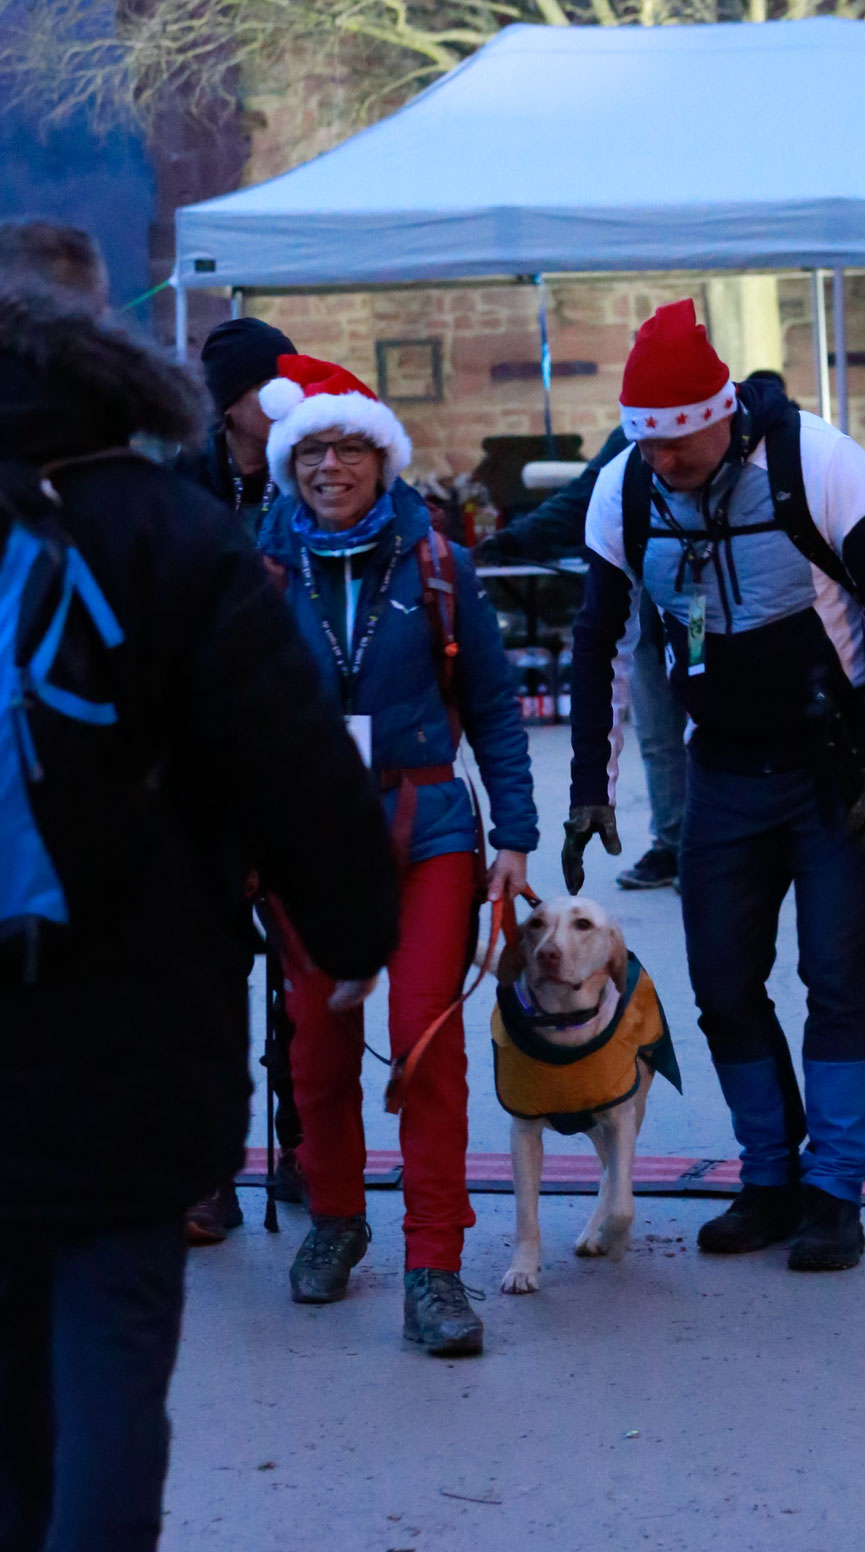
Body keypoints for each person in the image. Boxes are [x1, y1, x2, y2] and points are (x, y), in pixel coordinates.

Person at [0, 270, 399, 1552]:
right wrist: (355, 928)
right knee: (111, 1345)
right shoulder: (169, 526)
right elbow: (288, 756)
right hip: (131, 1009)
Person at [565, 301, 865, 1272]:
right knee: (723, 985)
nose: (664, 461)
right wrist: (591, 784)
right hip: (720, 772)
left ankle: (835, 1189)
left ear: (720, 415)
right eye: (647, 444)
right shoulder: (624, 488)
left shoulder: (818, 460)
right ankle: (768, 1178)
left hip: (830, 771)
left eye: (679, 442)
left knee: (836, 978)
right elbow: (598, 637)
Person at [258, 354, 538, 1354]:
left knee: (424, 1042)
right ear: (290, 465)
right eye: (312, 451)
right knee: (316, 1044)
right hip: (306, 835)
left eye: (349, 448)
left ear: (382, 459)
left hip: (428, 827)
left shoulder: (437, 565)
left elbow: (495, 705)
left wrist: (514, 835)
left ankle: (435, 1268)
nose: (330, 466)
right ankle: (336, 1215)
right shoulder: (258, 574)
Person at [175, 314, 304, 1243]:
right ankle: (207, 1171)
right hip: (202, 767)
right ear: (230, 403)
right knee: (205, 979)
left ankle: (303, 1144)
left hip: (299, 751)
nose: (288, 393)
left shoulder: (318, 466)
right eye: (270, 382)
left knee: (305, 972)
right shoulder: (181, 487)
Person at [481, 424, 687, 892]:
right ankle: (674, 843)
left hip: (718, 605)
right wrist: (517, 539)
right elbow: (585, 495)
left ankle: (717, 848)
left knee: (713, 729)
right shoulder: (632, 433)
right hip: (651, 599)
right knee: (658, 735)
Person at [178, 315, 298, 537]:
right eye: (267, 388)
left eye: (291, 385)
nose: (287, 400)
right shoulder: (184, 483)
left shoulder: (310, 471)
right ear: (228, 403)